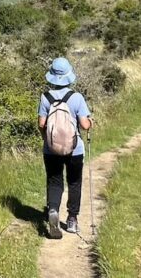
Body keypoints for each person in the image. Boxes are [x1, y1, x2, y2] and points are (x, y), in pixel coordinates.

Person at [38, 56, 92, 239]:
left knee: (54, 181)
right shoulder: (76, 98)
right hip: (74, 149)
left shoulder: (45, 97)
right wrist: (91, 122)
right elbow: (84, 125)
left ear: (52, 76)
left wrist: (46, 139)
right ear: (69, 75)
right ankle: (72, 220)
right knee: (74, 182)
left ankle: (53, 209)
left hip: (51, 149)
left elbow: (41, 123)